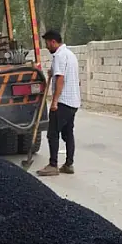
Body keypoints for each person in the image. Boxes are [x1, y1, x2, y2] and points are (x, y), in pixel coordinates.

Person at [34, 29, 81, 176]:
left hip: (62, 102)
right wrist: (51, 72)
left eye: (47, 43)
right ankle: (68, 164)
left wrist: (54, 102)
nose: (47, 46)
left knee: (52, 133)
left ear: (53, 42)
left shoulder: (60, 56)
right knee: (68, 133)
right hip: (73, 102)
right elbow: (61, 74)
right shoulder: (70, 55)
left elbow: (60, 79)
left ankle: (53, 165)